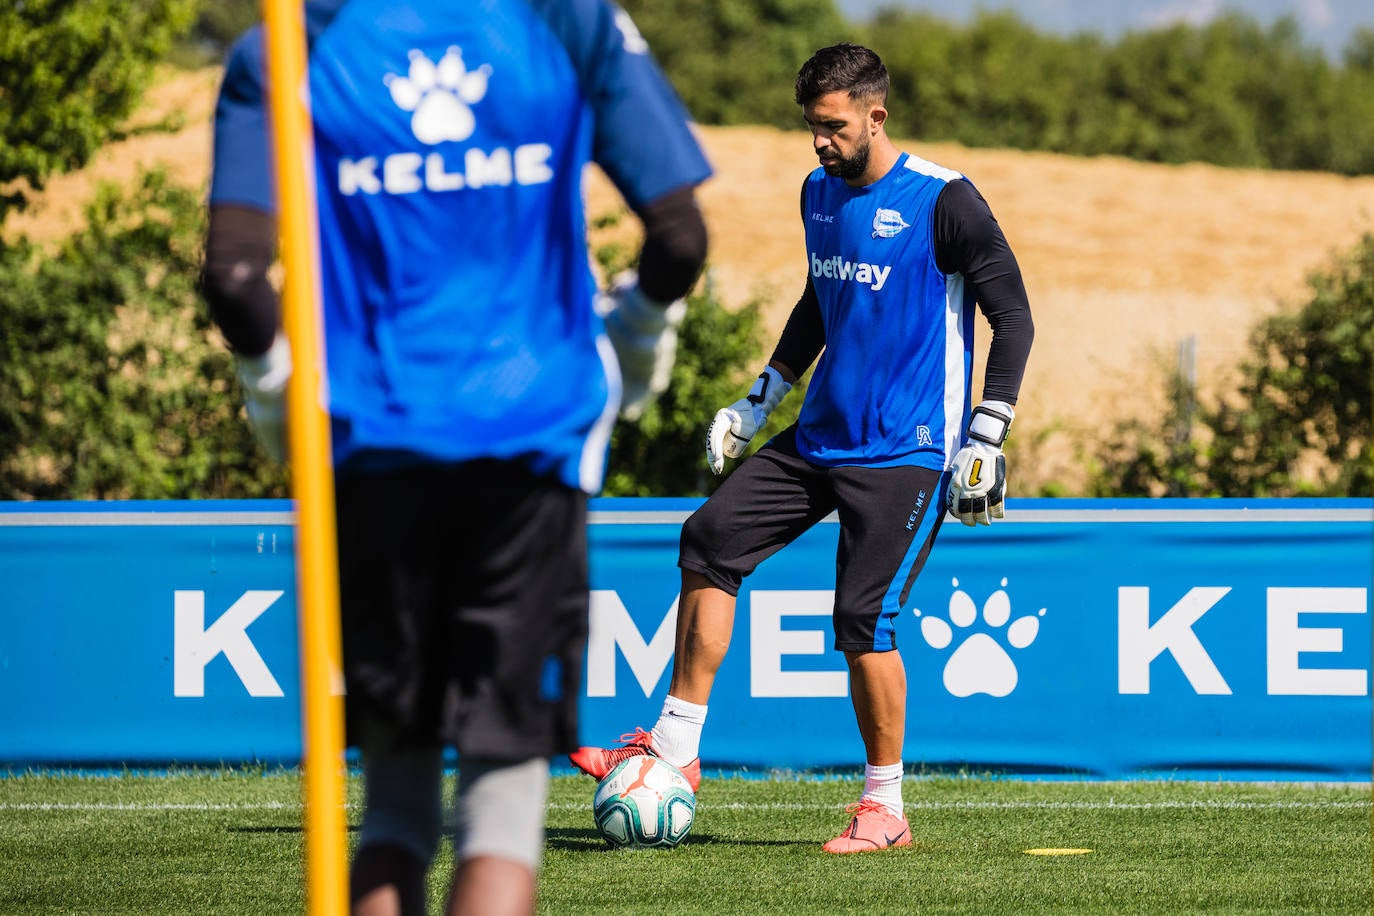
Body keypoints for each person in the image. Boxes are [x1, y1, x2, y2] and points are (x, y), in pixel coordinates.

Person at [200, 1, 710, 913]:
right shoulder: (566, 19)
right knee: (502, 812)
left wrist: (281, 401)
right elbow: (680, 237)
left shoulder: (286, 40)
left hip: (370, 450)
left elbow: (236, 279)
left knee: (395, 806)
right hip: (530, 449)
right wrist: (633, 347)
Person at [570, 42, 1034, 854]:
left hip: (907, 452)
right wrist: (760, 400)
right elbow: (821, 302)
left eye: (832, 126)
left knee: (864, 620)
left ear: (874, 115)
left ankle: (884, 808)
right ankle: (675, 747)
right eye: (811, 127)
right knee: (709, 539)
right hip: (819, 438)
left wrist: (987, 433)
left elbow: (1015, 316)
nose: (820, 142)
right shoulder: (818, 192)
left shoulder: (945, 201)